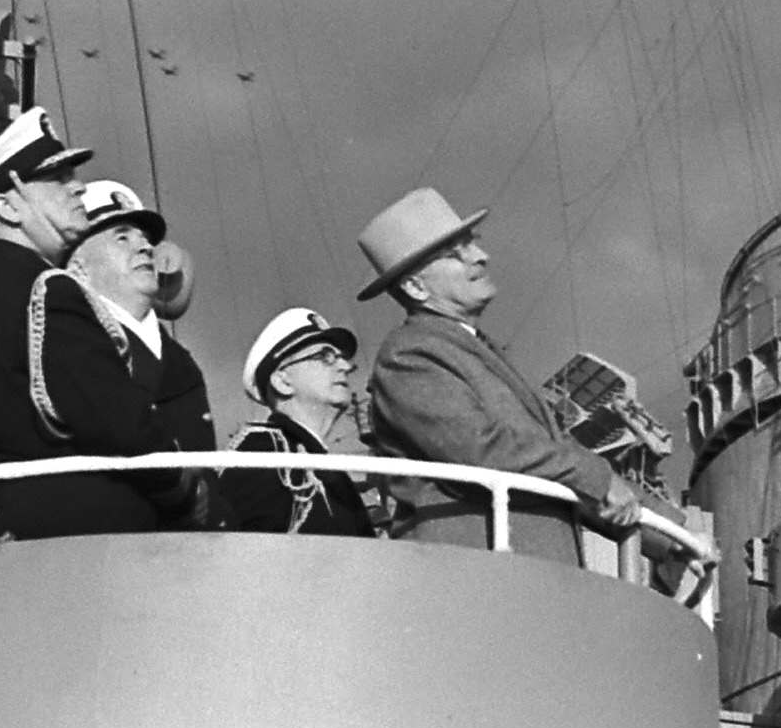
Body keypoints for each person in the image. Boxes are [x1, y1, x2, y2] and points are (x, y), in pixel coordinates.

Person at [0, 114, 202, 538]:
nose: (78, 187)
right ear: (8, 206)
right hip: (79, 547)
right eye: (58, 179)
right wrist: (185, 488)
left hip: (13, 534)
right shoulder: (47, 290)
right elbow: (121, 423)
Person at [360, 188, 639, 566]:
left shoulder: (474, 349)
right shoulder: (410, 354)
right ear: (414, 287)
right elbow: (481, 450)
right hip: (476, 574)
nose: (480, 256)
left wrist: (669, 539)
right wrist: (596, 475)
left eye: (472, 242)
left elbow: (550, 462)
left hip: (529, 574)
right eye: (456, 253)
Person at [58, 180, 218, 471]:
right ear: (77, 266)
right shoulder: (69, 345)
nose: (145, 247)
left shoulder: (180, 360)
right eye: (122, 238)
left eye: (145, 239)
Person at [219, 308, 375, 537]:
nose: (344, 366)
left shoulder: (324, 467)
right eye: (325, 356)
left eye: (342, 358)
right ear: (283, 381)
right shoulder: (264, 451)